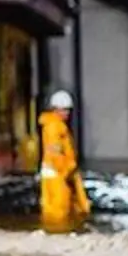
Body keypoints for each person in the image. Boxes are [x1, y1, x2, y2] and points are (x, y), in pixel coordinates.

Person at [38, 90, 91, 230]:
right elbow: (55, 153)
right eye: (64, 109)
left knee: (57, 210)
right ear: (56, 109)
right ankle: (58, 233)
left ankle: (55, 231)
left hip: (57, 173)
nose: (67, 113)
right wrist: (67, 171)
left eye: (68, 110)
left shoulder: (54, 125)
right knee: (58, 211)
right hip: (58, 175)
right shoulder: (55, 127)